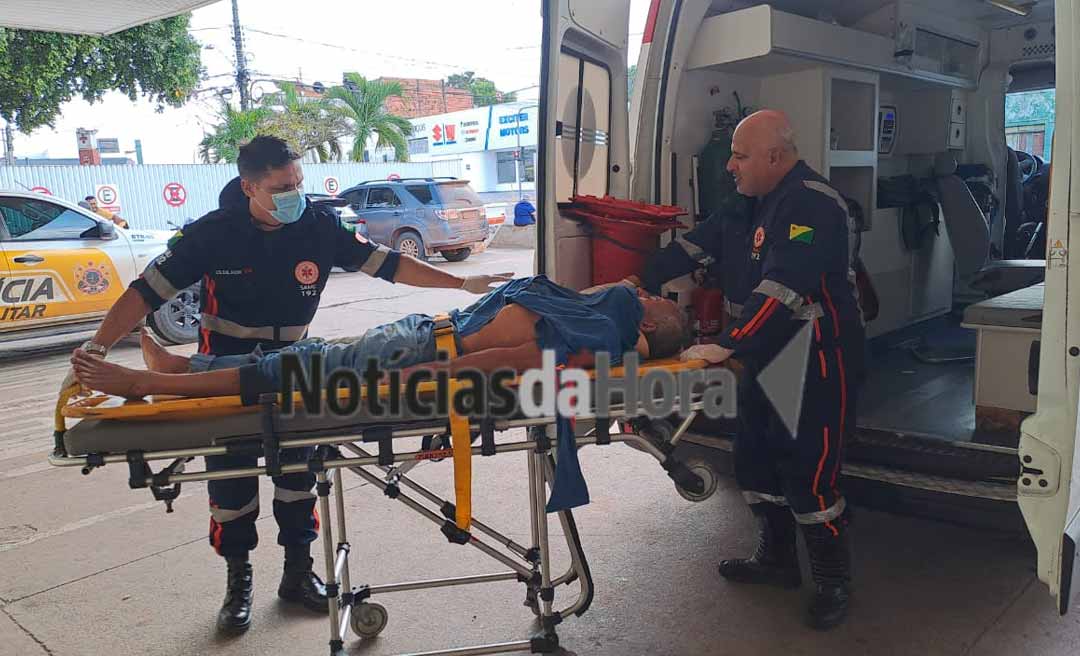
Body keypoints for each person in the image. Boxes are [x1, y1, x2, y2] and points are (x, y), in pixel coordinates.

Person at [63, 136, 513, 635]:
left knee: (299, 472)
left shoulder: (318, 227)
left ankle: (298, 575)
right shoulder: (212, 235)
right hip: (223, 367)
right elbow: (145, 292)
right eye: (282, 187)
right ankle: (239, 583)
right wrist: (99, 345)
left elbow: (389, 265)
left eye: (298, 183)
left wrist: (460, 284)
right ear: (249, 187)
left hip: (293, 361)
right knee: (232, 483)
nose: (294, 194)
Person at [644, 110, 864, 630]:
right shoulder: (745, 205)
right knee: (756, 459)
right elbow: (693, 246)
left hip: (814, 356)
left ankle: (833, 581)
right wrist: (636, 278)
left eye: (741, 156)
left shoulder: (813, 204)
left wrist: (726, 344)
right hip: (765, 355)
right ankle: (778, 561)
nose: (731, 167)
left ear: (775, 156)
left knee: (808, 471)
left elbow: (785, 287)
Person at [70, 275, 690, 401]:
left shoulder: (596, 334)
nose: (644, 291)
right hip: (424, 334)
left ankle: (154, 383)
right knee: (307, 357)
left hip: (423, 353)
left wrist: (406, 383)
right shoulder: (599, 314)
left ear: (652, 325)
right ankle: (184, 369)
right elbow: (625, 286)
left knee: (306, 371)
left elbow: (505, 362)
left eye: (656, 301)